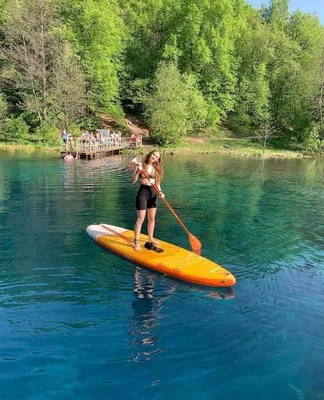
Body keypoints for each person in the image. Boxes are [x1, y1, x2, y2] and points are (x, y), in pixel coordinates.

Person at [131, 150, 165, 251]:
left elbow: (157, 183)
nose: (154, 157)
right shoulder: (142, 165)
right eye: (153, 155)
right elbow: (133, 181)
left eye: (157, 156)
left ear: (158, 159)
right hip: (143, 193)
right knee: (140, 218)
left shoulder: (157, 169)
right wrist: (138, 171)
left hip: (153, 194)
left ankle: (150, 238)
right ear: (150, 155)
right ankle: (136, 242)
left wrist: (161, 192)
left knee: (152, 219)